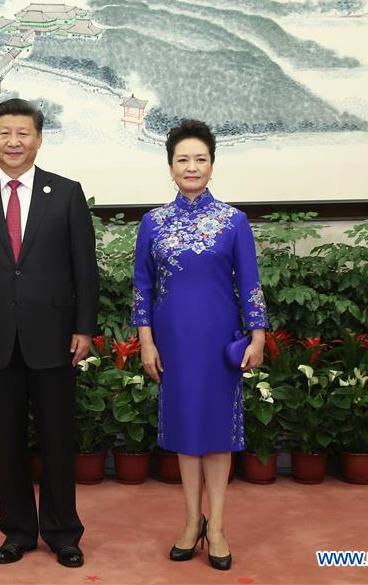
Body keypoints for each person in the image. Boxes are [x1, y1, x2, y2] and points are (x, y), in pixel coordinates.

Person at [0, 98, 99, 568]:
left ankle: (63, 533)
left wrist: (84, 327)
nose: (13, 142)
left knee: (57, 439)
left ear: (38, 138)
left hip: (55, 335)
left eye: (23, 133)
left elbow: (84, 269)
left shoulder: (67, 192)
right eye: (4, 133)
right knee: (7, 441)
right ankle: (16, 531)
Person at [131, 119, 268, 571]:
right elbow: (142, 288)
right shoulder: (153, 222)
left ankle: (220, 526)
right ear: (170, 167)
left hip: (218, 340)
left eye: (200, 159)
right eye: (182, 160)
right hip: (172, 342)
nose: (191, 167)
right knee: (186, 435)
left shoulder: (234, 221)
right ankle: (191, 522)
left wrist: (259, 335)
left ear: (212, 164)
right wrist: (146, 342)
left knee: (217, 435)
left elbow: (250, 283)